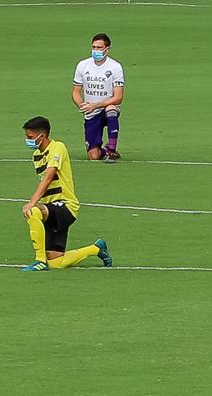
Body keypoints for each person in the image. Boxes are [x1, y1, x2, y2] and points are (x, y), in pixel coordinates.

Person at [20, 116, 112, 272]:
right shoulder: (36, 155)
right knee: (57, 262)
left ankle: (39, 261)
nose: (27, 140)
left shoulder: (57, 147)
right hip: (52, 208)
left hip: (65, 206)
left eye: (30, 137)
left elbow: (49, 176)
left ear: (41, 136)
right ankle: (96, 249)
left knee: (32, 211)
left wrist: (32, 202)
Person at [72, 33, 124, 163]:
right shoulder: (83, 65)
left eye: (99, 48)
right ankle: (104, 151)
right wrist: (82, 106)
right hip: (91, 113)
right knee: (93, 156)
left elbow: (118, 97)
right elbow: (75, 92)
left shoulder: (115, 67)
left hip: (106, 107)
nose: (96, 50)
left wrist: (95, 105)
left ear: (107, 49)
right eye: (94, 47)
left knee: (111, 109)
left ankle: (111, 149)